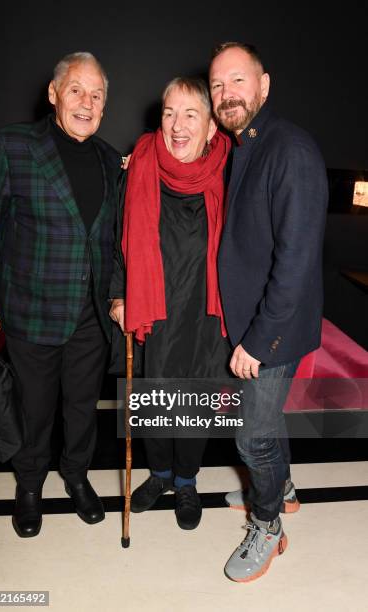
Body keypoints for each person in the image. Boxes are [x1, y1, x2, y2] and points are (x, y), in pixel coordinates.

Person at [0, 52, 122, 537]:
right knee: (34, 408)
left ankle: (76, 477)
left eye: (97, 94)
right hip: (30, 311)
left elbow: (110, 239)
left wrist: (117, 296)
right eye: (76, 90)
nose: (87, 102)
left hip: (90, 315)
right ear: (54, 93)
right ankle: (30, 486)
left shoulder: (107, 158)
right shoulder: (13, 145)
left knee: (82, 408)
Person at [209, 42, 328, 581]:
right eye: (217, 86)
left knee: (251, 436)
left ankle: (269, 522)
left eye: (237, 81)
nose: (225, 94)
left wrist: (257, 340)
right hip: (258, 321)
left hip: (270, 328)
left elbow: (297, 261)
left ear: (264, 85)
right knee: (266, 421)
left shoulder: (290, 149)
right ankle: (282, 487)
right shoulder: (249, 144)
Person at [110, 77, 231, 530]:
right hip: (154, 305)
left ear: (212, 127)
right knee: (154, 393)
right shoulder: (140, 165)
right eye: (169, 113)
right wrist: (120, 294)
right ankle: (159, 474)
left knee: (195, 397)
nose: (177, 126)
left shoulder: (228, 171)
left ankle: (186, 481)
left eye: (190, 115)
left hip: (205, 310)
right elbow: (119, 238)